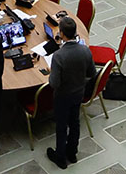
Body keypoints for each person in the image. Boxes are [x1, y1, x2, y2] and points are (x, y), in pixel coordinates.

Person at [46, 16, 95, 170]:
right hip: (78, 93)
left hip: (62, 96)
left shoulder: (59, 56)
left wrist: (51, 72)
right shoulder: (85, 50)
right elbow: (91, 73)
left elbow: (54, 83)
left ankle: (60, 156)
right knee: (75, 123)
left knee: (61, 126)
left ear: (61, 33)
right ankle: (72, 153)